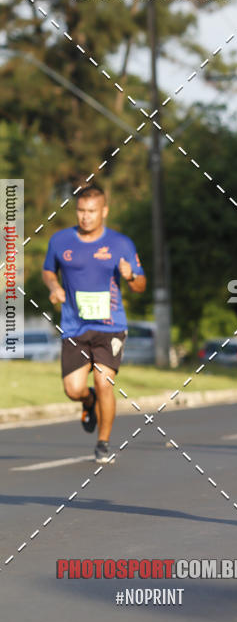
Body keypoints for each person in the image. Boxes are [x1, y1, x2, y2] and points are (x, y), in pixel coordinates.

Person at [42, 184, 146, 463]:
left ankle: (103, 442)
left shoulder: (121, 244)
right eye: (81, 211)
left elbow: (140, 285)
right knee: (73, 389)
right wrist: (54, 287)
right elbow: (48, 271)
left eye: (91, 211)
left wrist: (131, 276)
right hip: (75, 326)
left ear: (104, 211)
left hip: (110, 326)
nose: (85, 217)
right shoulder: (60, 240)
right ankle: (88, 403)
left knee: (104, 382)